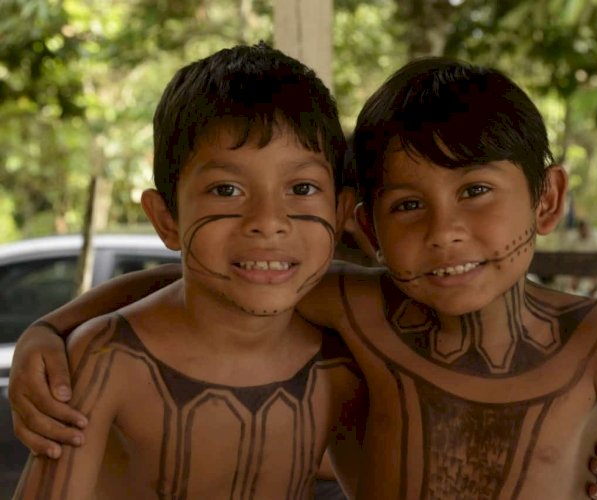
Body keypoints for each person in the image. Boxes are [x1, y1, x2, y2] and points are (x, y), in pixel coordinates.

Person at [16, 56, 597, 499]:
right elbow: (215, 286)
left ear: (548, 199)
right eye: (409, 206)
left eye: (475, 190)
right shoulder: (358, 311)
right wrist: (54, 330)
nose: (444, 231)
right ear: (369, 229)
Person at [12, 43, 368, 499]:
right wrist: (48, 329)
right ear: (166, 220)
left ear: (339, 214)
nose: (267, 220)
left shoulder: (341, 364)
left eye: (301, 187)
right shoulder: (108, 360)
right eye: (226, 189)